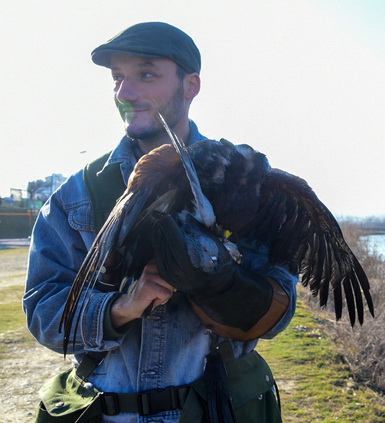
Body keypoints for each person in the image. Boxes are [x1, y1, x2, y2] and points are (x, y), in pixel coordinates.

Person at [23, 22, 298, 423]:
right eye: (118, 78)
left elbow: (281, 313)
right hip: (110, 413)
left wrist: (223, 286)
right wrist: (118, 307)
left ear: (191, 85)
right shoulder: (78, 194)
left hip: (216, 411)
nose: (124, 92)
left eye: (146, 74)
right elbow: (42, 312)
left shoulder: (246, 181)